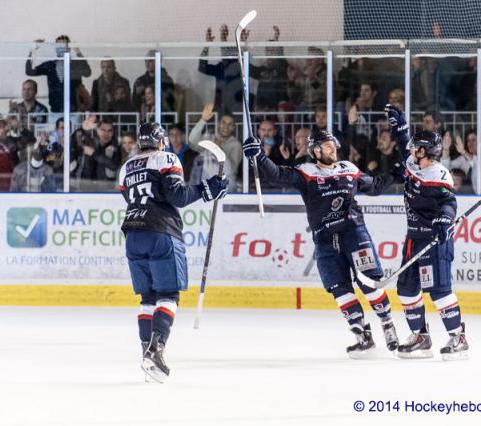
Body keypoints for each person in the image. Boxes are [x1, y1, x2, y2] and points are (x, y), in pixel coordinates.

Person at [242, 130, 399, 358]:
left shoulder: (348, 169)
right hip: (325, 239)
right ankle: (363, 337)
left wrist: (397, 172)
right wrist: (259, 157)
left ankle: (388, 324)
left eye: (333, 145)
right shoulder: (306, 172)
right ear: (315, 150)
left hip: (354, 232)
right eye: (327, 146)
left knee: (370, 281)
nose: (333, 149)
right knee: (339, 288)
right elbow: (275, 175)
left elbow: (375, 186)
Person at [119, 122, 228, 382]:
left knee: (148, 298)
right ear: (160, 141)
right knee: (167, 294)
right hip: (161, 232)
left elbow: (131, 198)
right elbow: (177, 196)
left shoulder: (126, 167)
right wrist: (207, 189)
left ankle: (146, 354)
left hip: (133, 234)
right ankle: (156, 353)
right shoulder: (165, 158)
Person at [384, 104, 469, 361]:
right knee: (407, 289)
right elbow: (402, 145)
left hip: (435, 240)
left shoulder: (439, 174)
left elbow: (449, 203)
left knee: (440, 290)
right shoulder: (414, 161)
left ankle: (458, 338)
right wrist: (400, 127)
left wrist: (444, 220)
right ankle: (421, 337)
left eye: (415, 147)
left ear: (424, 151)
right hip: (414, 238)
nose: (410, 150)